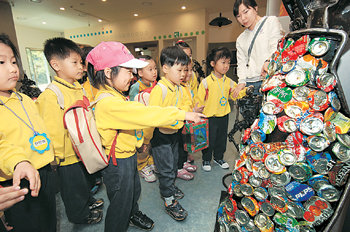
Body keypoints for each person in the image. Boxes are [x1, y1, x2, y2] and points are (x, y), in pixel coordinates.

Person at [86, 41, 205, 232]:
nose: (132, 76)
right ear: (108, 72)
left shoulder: (116, 95)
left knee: (134, 192)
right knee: (120, 203)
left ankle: (132, 213)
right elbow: (146, 114)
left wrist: (139, 142)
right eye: (127, 71)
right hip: (117, 163)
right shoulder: (108, 103)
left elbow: (129, 125)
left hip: (127, 155)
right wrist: (183, 114)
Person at [36, 37, 103, 225]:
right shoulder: (51, 95)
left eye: (81, 62)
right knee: (72, 189)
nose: (80, 67)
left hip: (83, 149)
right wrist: (56, 156)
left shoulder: (77, 86)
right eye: (74, 62)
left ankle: (88, 201)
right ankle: (79, 216)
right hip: (66, 156)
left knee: (85, 182)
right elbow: (50, 128)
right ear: (55, 64)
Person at [0, 33, 56, 231]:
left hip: (44, 169)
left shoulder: (23, 99)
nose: (13, 69)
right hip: (15, 179)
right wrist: (19, 162)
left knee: (50, 220)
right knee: (30, 224)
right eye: (1, 62)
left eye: (14, 61)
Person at [148, 46, 196, 221]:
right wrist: (145, 141)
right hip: (160, 137)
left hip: (174, 132)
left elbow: (184, 106)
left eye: (185, 70)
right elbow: (150, 117)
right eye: (179, 70)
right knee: (166, 169)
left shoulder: (178, 87)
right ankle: (169, 200)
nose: (183, 74)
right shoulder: (159, 90)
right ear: (166, 69)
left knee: (175, 163)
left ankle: (170, 187)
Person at [196, 47, 249, 172]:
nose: (226, 66)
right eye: (223, 62)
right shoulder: (205, 82)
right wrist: (197, 113)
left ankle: (219, 157)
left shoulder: (229, 82)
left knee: (221, 139)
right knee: (209, 140)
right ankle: (206, 159)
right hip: (209, 117)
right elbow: (199, 99)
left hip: (224, 115)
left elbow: (236, 93)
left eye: (228, 63)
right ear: (213, 64)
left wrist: (246, 90)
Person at [231, 0, 284, 97]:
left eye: (246, 12)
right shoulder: (240, 39)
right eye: (238, 16)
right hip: (249, 84)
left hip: (269, 80)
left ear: (255, 8)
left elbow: (277, 47)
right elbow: (241, 63)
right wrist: (241, 81)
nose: (243, 18)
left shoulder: (270, 21)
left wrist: (269, 61)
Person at [129, 55, 158, 183]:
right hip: (141, 123)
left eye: (155, 68)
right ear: (140, 72)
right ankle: (141, 166)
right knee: (143, 145)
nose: (154, 72)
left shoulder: (155, 84)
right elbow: (132, 105)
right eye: (150, 69)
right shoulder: (136, 87)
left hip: (152, 121)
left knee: (150, 144)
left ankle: (149, 161)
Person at [176, 60, 202, 181]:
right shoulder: (178, 87)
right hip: (180, 120)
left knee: (185, 143)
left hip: (187, 119)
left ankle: (183, 162)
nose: (190, 73)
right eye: (187, 70)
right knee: (180, 145)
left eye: (191, 70)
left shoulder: (186, 85)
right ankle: (178, 167)